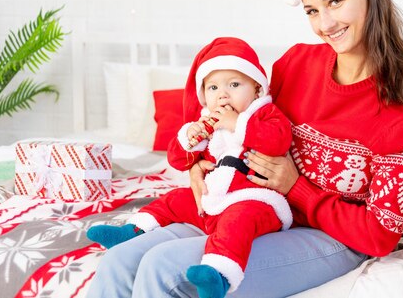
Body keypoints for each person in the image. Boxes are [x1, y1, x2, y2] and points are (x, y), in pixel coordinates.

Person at [87, 0, 403, 298]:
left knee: (167, 269)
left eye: (336, 2)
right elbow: (241, 121)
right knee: (118, 261)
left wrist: (296, 188)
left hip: (333, 237)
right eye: (312, 11)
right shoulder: (295, 64)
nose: (325, 24)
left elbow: (379, 235)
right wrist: (197, 164)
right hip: (253, 209)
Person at [87, 37, 293, 298]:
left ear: (257, 89)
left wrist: (236, 123)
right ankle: (133, 231)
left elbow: (278, 140)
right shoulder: (206, 123)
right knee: (174, 199)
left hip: (255, 200)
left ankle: (217, 275)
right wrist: (190, 139)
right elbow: (176, 159)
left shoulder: (265, 115)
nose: (223, 94)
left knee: (237, 222)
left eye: (234, 84)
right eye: (213, 87)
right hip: (212, 202)